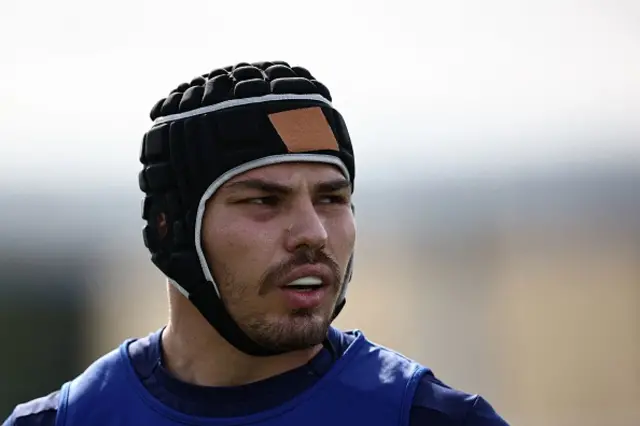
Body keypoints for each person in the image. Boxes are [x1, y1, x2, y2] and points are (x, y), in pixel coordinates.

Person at [3, 60, 510, 426]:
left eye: (332, 198)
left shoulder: (432, 418)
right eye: (265, 201)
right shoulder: (65, 421)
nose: (313, 232)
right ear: (169, 230)